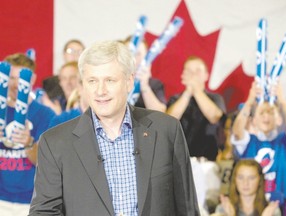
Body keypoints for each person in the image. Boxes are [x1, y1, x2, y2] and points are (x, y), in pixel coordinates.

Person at [28, 40, 200, 216]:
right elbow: (44, 213)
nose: (100, 91)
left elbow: (187, 208)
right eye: (92, 81)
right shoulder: (55, 143)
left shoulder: (167, 130)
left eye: (109, 80)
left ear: (129, 82)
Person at [0, 53, 55, 216]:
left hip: (31, 200)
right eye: (12, 78)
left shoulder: (46, 115)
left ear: (32, 79)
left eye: (21, 78)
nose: (16, 85)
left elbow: (46, 162)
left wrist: (29, 143)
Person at [231, 81, 286, 207]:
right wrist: (250, 101)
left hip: (283, 206)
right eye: (261, 113)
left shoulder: (284, 141)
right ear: (254, 121)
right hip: (253, 209)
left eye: (270, 113)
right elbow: (236, 132)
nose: (266, 117)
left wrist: (283, 102)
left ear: (279, 120)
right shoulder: (248, 141)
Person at [166, 55, 226, 161]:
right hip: (178, 160)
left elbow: (214, 117)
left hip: (207, 161)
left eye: (197, 71)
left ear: (206, 75)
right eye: (189, 71)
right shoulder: (176, 99)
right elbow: (168, 121)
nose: (193, 75)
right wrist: (188, 92)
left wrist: (196, 90)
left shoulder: (215, 98)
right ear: (183, 75)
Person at [213, 159, 281, 216]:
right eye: (240, 177)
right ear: (234, 180)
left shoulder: (271, 210)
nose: (245, 183)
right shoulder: (224, 208)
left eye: (251, 178)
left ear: (260, 180)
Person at [123, 36, 167, 112]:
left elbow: (162, 114)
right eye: (130, 54)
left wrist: (144, 86)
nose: (134, 59)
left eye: (138, 54)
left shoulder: (154, 84)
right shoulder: (113, 82)